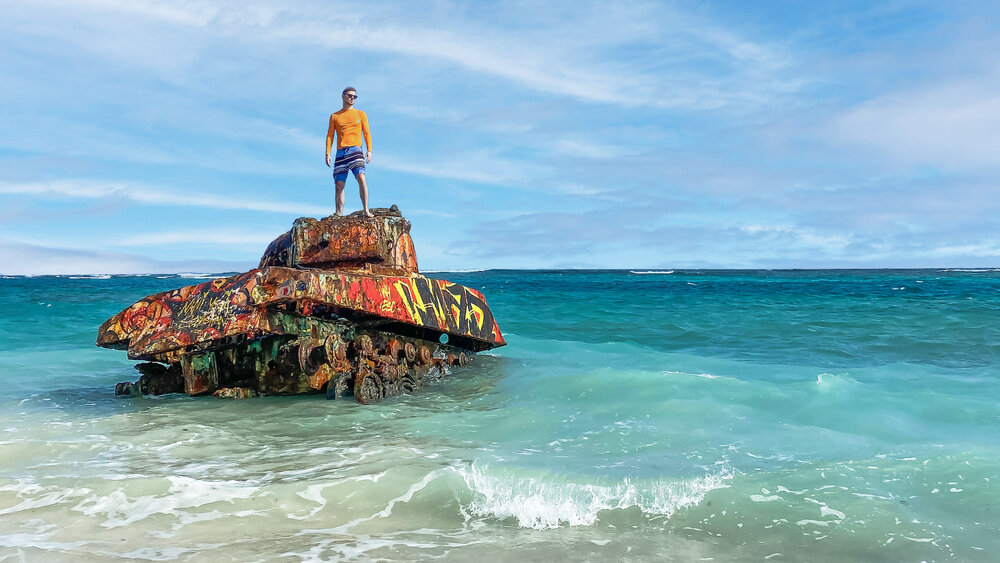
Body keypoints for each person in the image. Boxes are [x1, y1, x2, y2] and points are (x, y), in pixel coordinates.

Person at [325, 86, 374, 217]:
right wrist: (327, 153)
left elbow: (367, 133)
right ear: (343, 96)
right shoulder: (335, 116)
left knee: (361, 177)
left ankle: (366, 210)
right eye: (350, 95)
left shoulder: (361, 114)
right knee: (339, 185)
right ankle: (339, 213)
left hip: (355, 149)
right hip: (341, 152)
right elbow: (330, 135)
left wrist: (370, 150)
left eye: (354, 96)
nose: (352, 98)